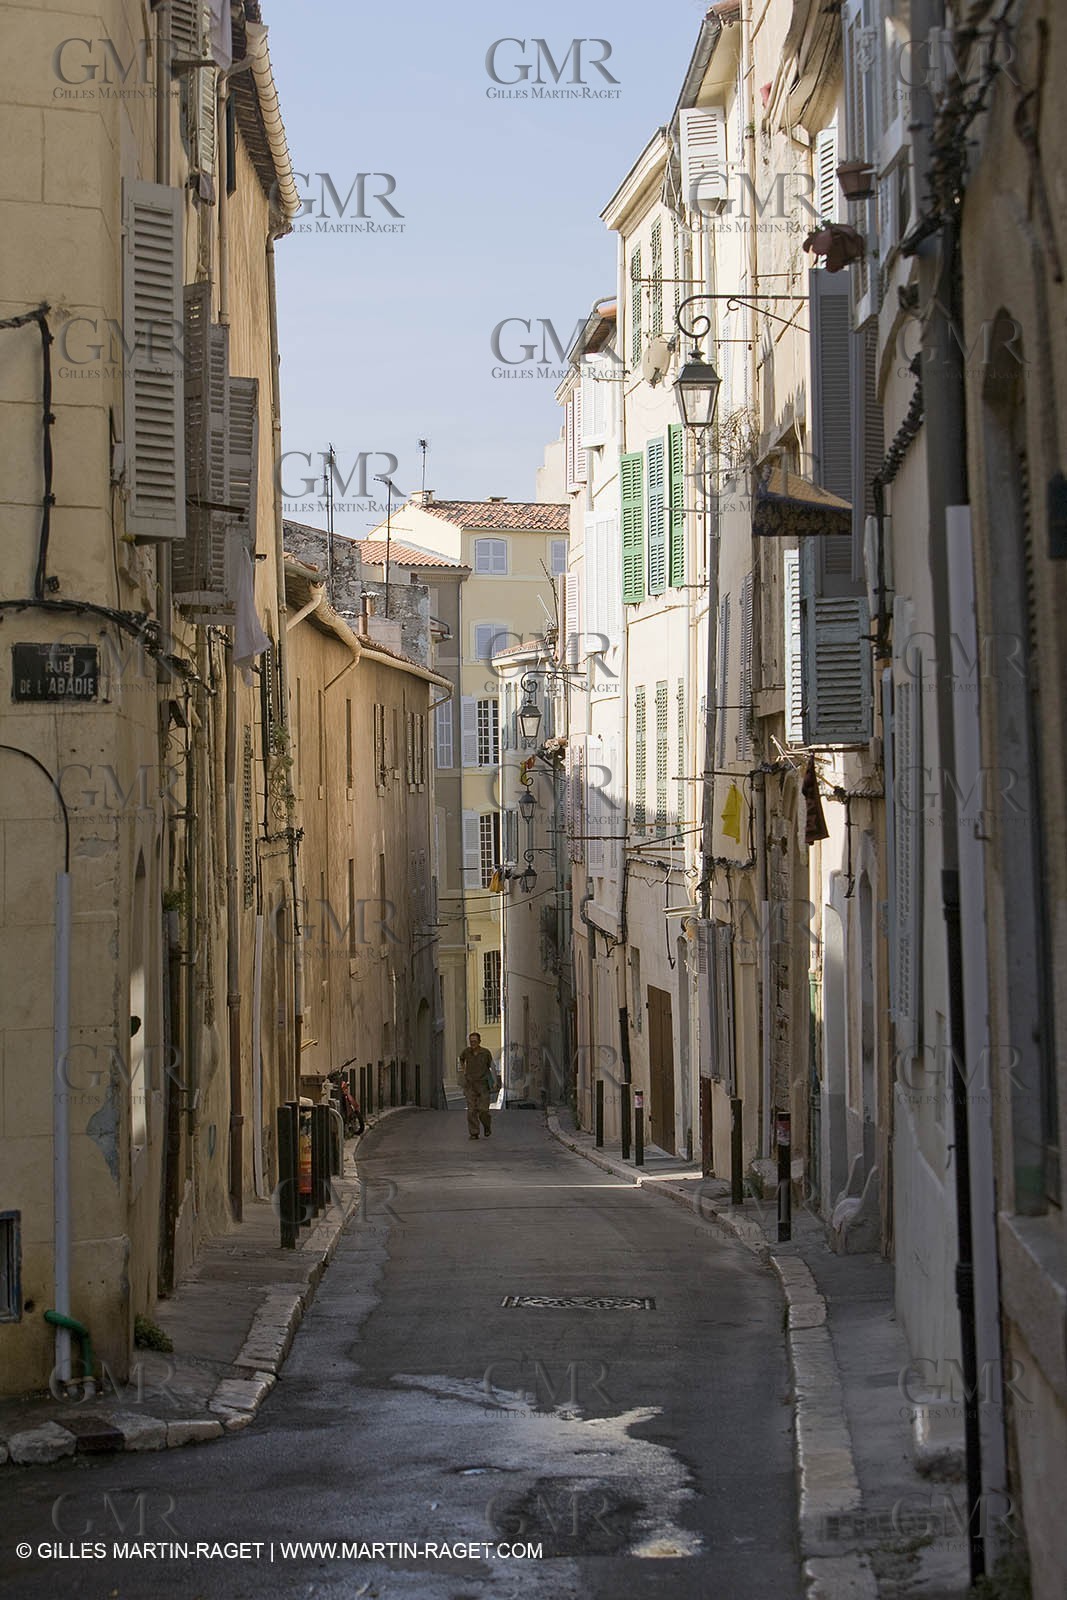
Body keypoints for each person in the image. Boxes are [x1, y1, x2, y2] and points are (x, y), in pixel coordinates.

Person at [460, 1032, 497, 1140]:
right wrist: (464, 1070)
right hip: (470, 1085)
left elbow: (492, 1066)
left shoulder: (485, 1053)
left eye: (475, 1041)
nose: (472, 1043)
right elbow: (461, 1059)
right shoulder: (466, 1052)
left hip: (483, 1085)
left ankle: (487, 1126)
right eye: (471, 1041)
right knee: (471, 1110)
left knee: (483, 1110)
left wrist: (495, 1081)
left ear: (479, 1042)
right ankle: (474, 1132)